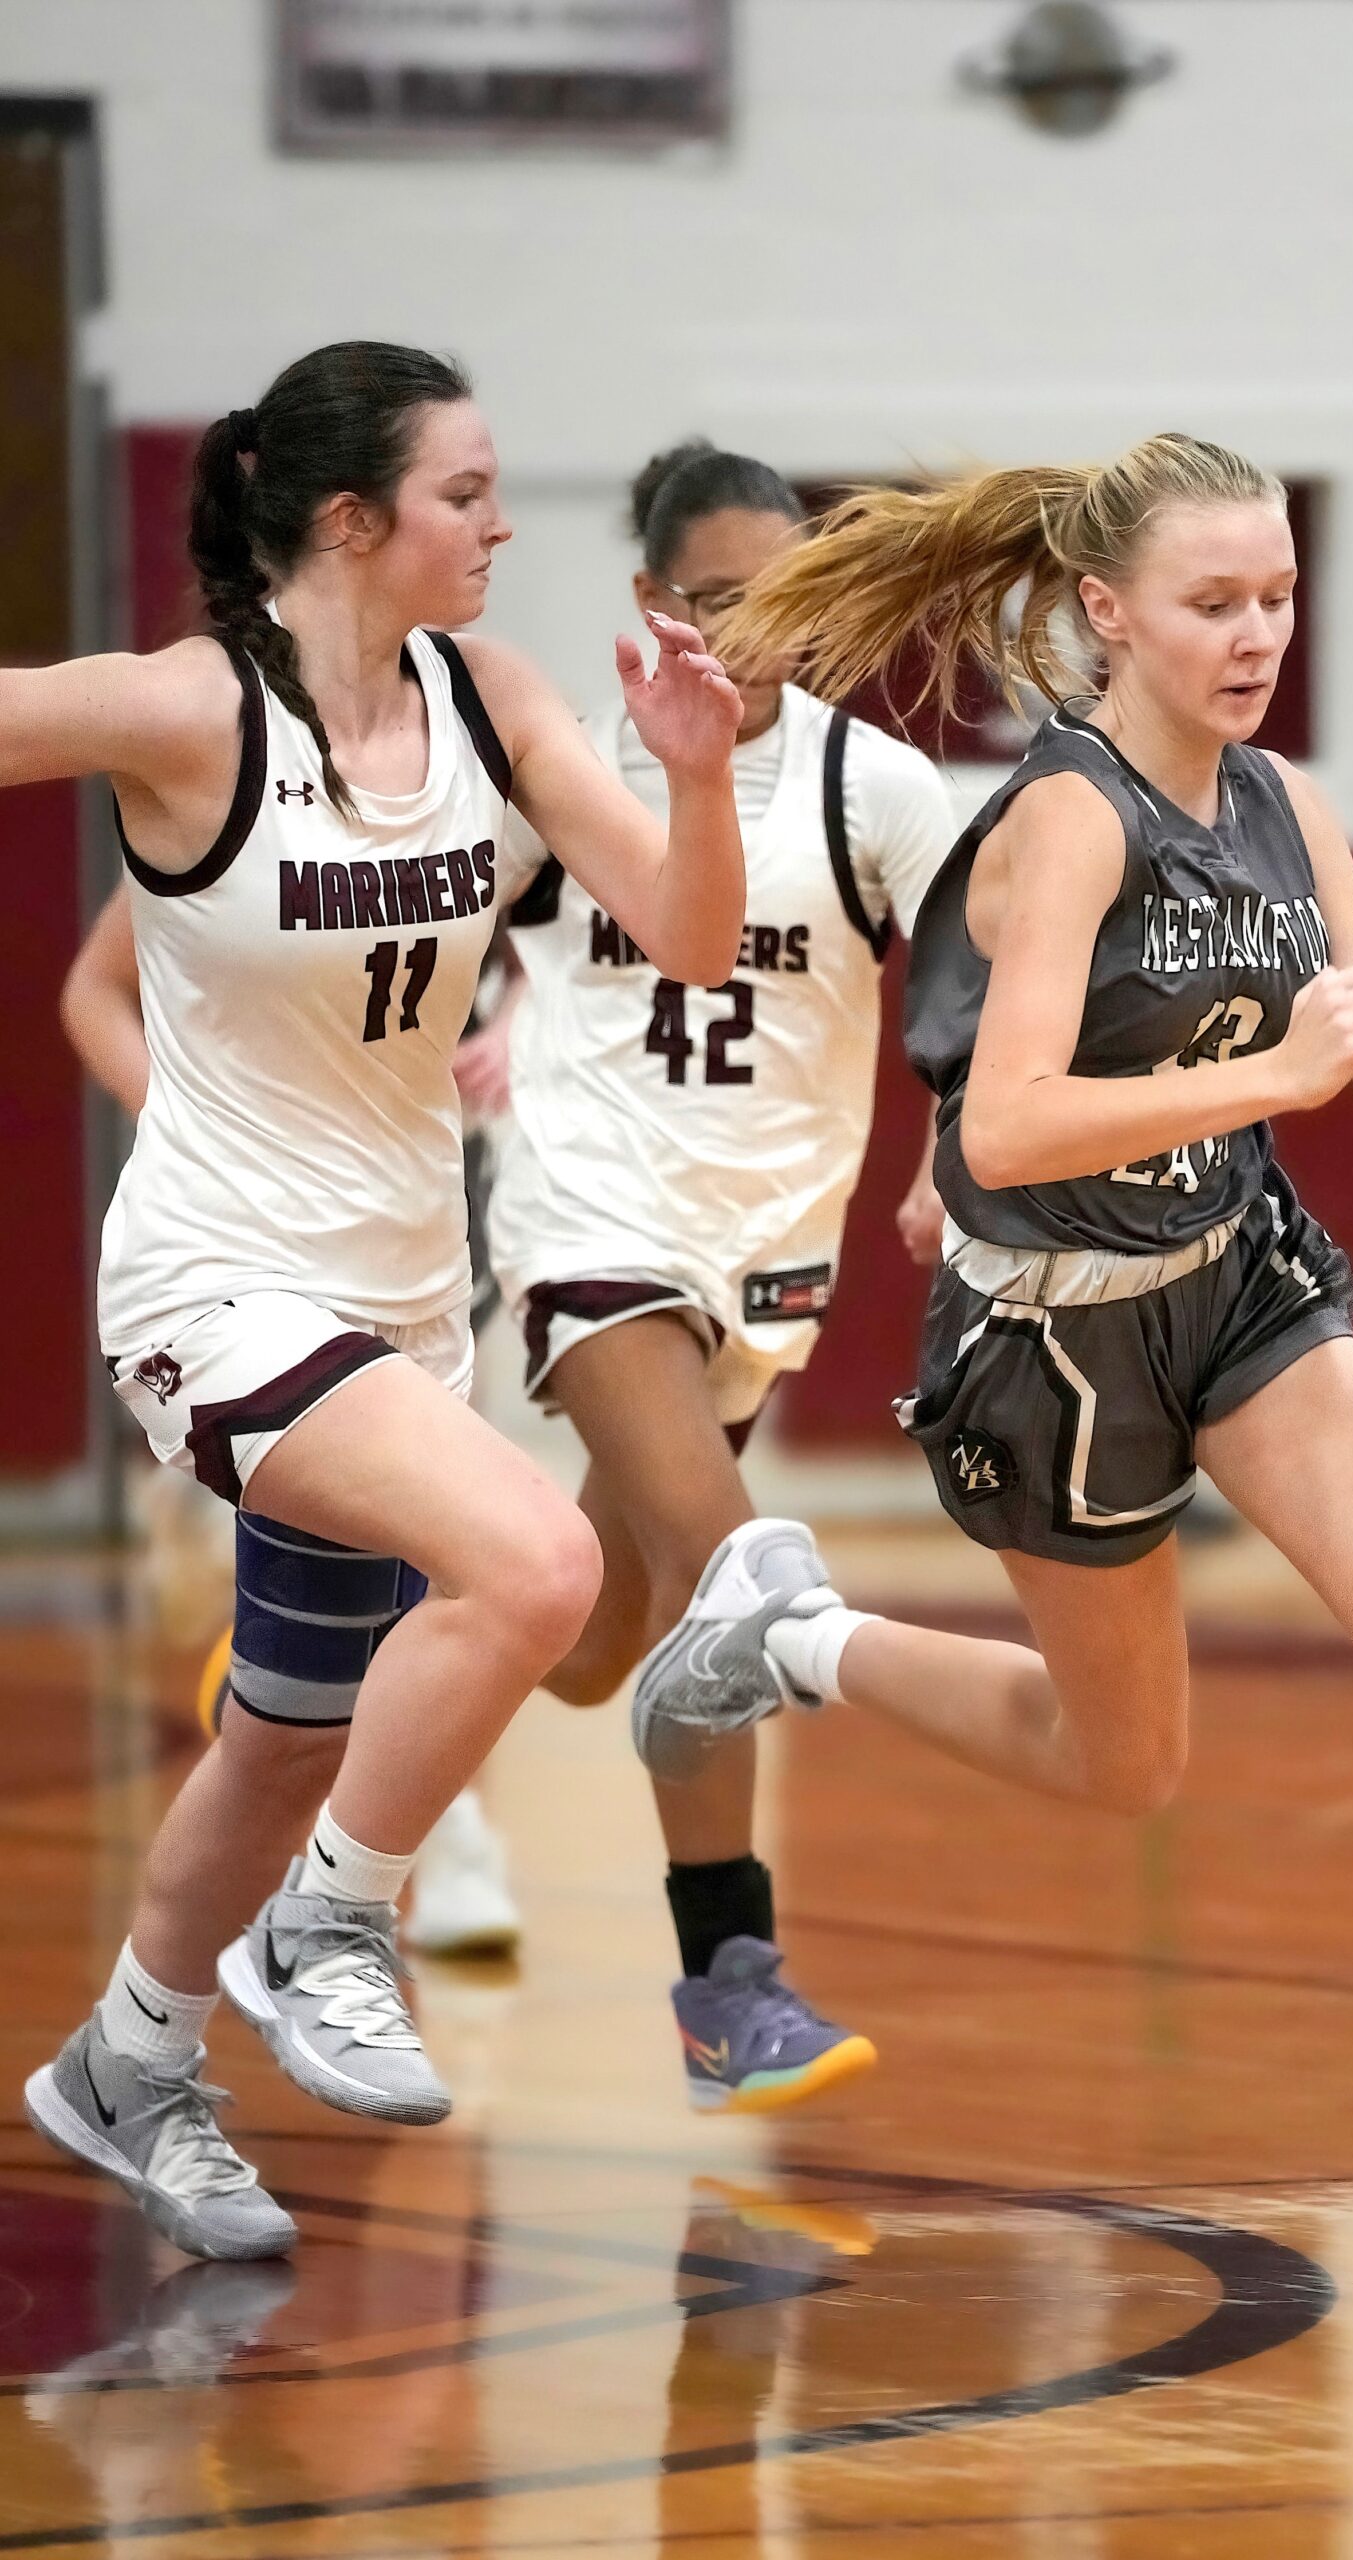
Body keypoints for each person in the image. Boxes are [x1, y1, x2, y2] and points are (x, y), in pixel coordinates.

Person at [628, 434, 1353, 2275]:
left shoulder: (1281, 805)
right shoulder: (1067, 818)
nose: (1256, 631)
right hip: (1048, 1345)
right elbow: (1002, 1131)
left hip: (1235, 1280)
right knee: (1119, 1765)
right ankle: (785, 1637)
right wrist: (1270, 1076)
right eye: (1214, 602)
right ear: (1107, 613)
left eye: (1278, 595)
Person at [6, 339, 743, 2259]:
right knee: (538, 1566)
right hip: (214, 1290)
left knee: (286, 1732)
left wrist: (697, 773)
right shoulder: (191, 710)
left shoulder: (492, 704)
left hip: (405, 1305)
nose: (505, 528)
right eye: (467, 495)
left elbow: (686, 932)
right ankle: (334, 1926)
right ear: (352, 520)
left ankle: (127, 2063)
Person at [478, 438, 956, 2110]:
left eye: (786, 603)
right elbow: (418, 943)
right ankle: (726, 1975)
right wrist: (475, 1036)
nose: (748, 639)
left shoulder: (873, 787)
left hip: (764, 1258)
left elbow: (976, 994)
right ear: (644, 602)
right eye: (712, 604)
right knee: (724, 1569)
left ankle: (350, 1653)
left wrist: (943, 1158)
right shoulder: (570, 773)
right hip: (589, 1219)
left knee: (594, 1636)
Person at [61, 892, 523, 1959]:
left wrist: (519, 1032)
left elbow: (590, 949)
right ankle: (436, 1846)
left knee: (456, 1550)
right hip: (253, 1248)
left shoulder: (487, 773)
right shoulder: (222, 773)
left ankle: (405, 1825)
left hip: (425, 1214)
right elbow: (91, 988)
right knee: (437, 1551)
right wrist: (185, 1129)